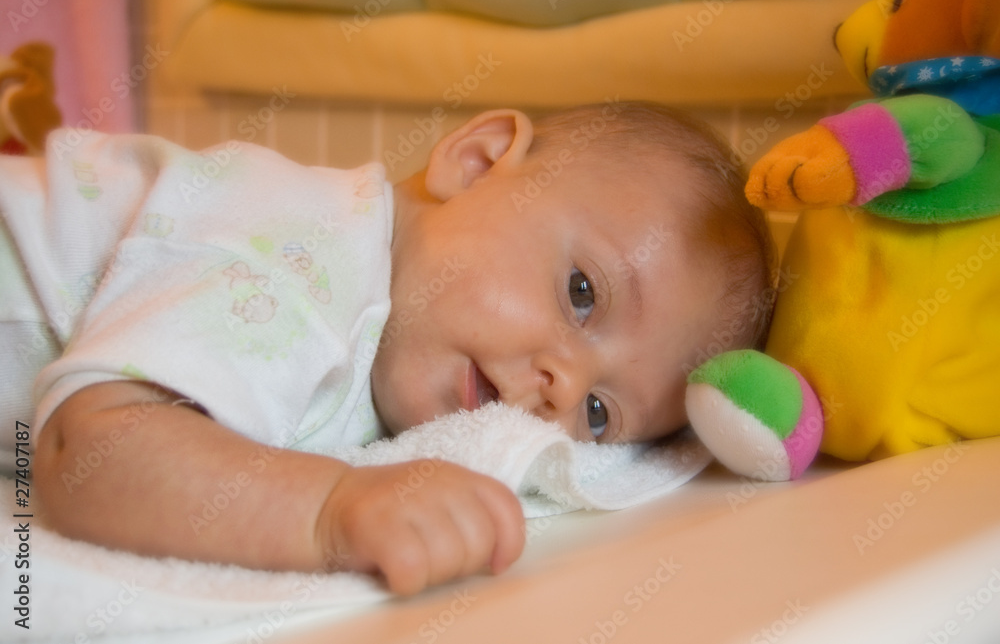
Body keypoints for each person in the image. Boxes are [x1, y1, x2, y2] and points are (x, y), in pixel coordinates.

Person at [1, 100, 774, 595]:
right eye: (582, 293)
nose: (563, 389)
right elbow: (88, 448)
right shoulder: (302, 244)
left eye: (600, 413)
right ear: (476, 163)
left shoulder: (392, 343)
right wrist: (328, 508)